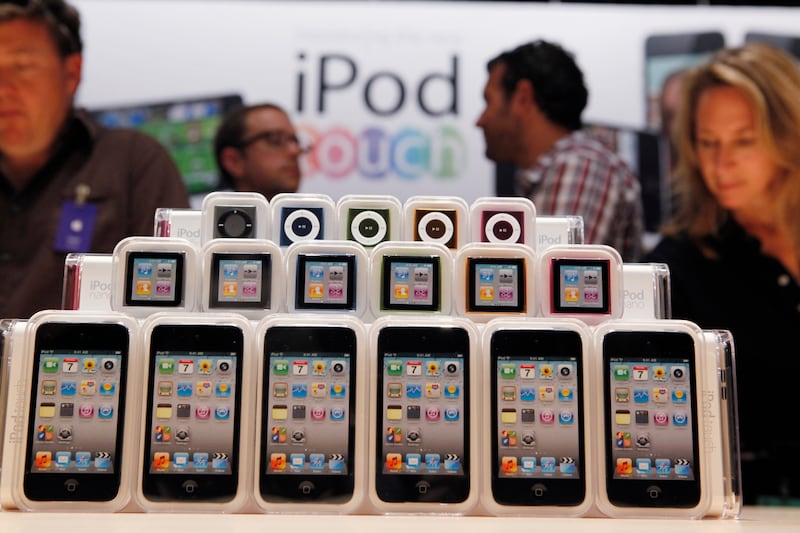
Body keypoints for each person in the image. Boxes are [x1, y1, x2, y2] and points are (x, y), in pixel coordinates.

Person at [645, 42, 800, 505]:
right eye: (707, 142)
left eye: (744, 140)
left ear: (789, 135)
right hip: (749, 509)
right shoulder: (681, 265)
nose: (720, 163)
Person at [0, 0, 190, 320]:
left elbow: (168, 310)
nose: (4, 90)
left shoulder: (134, 163)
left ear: (71, 72)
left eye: (21, 68)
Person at [476, 39, 644, 261]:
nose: (480, 120)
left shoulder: (578, 166)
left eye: (489, 101)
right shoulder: (568, 167)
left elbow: (552, 289)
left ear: (523, 98)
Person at [213, 103, 308, 201]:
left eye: (295, 141)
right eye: (276, 140)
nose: (295, 151)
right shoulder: (206, 216)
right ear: (234, 161)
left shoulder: (318, 215)